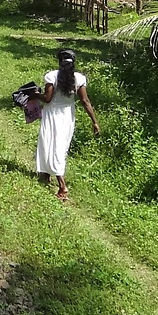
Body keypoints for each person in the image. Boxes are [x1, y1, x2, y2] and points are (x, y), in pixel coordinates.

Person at [36, 48, 100, 202]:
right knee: (60, 147)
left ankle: (62, 185)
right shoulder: (78, 78)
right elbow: (85, 101)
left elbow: (47, 99)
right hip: (67, 116)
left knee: (49, 144)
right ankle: (45, 174)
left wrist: (34, 94)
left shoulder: (52, 76)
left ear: (59, 62)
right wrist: (94, 121)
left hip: (52, 114)